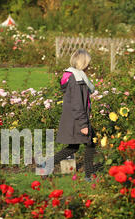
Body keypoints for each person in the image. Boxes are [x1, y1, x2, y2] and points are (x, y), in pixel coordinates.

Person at [39, 49, 98, 181]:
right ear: (83, 63)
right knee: (90, 143)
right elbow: (77, 103)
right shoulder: (77, 79)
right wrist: (83, 124)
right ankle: (88, 175)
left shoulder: (74, 76)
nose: (89, 66)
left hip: (74, 118)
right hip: (77, 120)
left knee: (75, 146)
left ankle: (46, 164)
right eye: (88, 63)